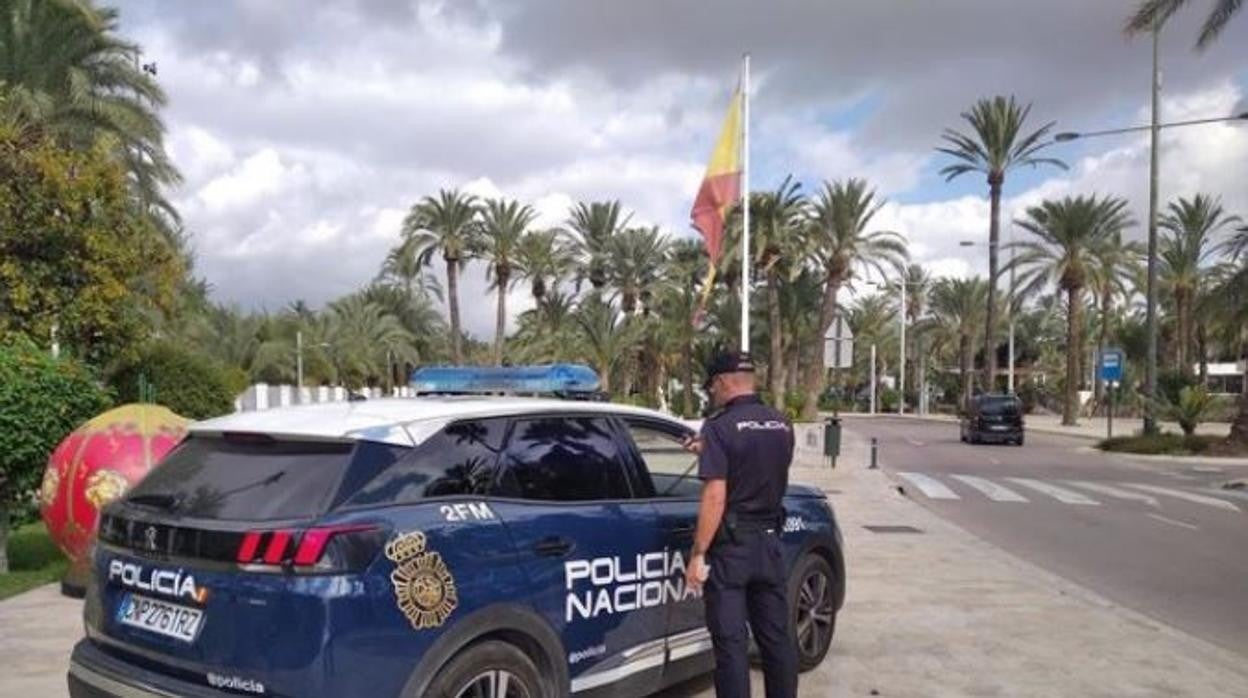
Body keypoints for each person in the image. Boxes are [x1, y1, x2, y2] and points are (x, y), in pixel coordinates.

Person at [683, 350, 798, 698]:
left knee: (731, 646)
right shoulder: (781, 423)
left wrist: (698, 553)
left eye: (711, 387)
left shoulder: (719, 427)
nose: (711, 394)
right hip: (770, 543)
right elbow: (761, 465)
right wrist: (711, 450)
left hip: (732, 551)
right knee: (776, 639)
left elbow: (716, 496)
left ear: (721, 382)